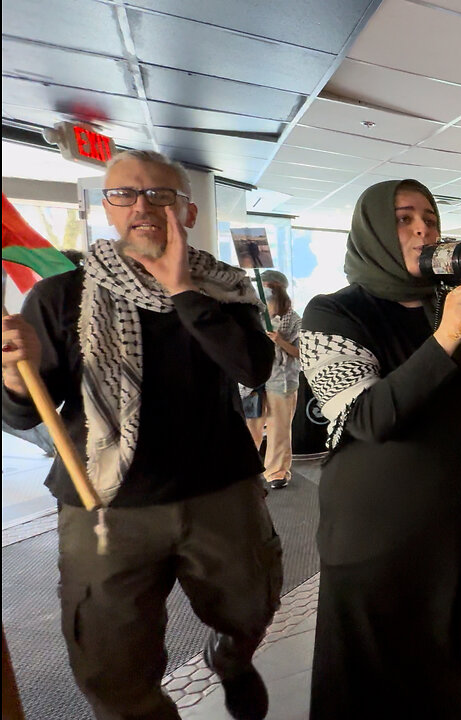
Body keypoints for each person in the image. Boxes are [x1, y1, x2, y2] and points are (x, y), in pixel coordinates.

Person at [1, 149, 281, 720]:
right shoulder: (61, 298)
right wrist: (11, 378)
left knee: (252, 608)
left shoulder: (224, 290)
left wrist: (183, 292)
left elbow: (254, 369)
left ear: (189, 211)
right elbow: (24, 415)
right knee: (112, 666)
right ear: (107, 210)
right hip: (104, 505)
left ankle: (232, 657)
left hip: (221, 492)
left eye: (160, 194)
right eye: (124, 195)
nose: (142, 206)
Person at [298, 179, 461, 719]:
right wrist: (443, 336)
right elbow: (369, 418)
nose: (422, 229)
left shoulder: (451, 305)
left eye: (431, 219)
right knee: (386, 684)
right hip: (379, 536)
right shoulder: (331, 314)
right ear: (371, 230)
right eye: (403, 218)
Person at [244, 269, 300, 490]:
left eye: (270, 287)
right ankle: (247, 468)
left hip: (282, 379)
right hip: (253, 378)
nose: (265, 291)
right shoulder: (251, 313)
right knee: (251, 425)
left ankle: (276, 472)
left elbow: (301, 352)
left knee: (279, 427)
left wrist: (280, 340)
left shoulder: (294, 319)